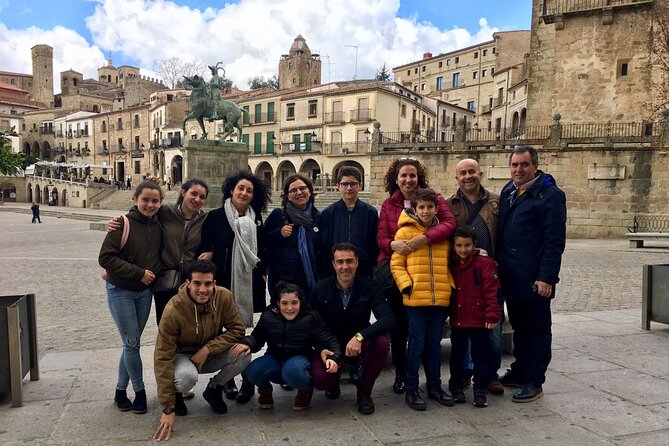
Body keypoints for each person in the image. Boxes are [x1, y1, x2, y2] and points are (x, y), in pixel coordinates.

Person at [376, 158, 456, 394]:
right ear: (396, 178)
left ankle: (430, 381)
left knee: (429, 335)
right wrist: (394, 245)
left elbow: (449, 223)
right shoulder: (389, 204)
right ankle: (402, 374)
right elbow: (380, 239)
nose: (408, 180)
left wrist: (424, 239)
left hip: (428, 272)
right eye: (404, 175)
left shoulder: (434, 198)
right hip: (400, 275)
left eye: (413, 175)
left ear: (419, 178)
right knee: (400, 327)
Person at [497, 146, 566, 403]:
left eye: (524, 165)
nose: (518, 170)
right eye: (514, 165)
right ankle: (520, 369)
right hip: (512, 276)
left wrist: (547, 277)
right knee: (519, 327)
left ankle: (535, 380)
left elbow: (554, 241)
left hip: (536, 278)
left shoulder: (550, 196)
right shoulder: (509, 191)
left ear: (535, 166)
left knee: (537, 329)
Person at [153, 260, 250, 441]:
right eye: (197, 283)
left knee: (243, 354)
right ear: (188, 283)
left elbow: (237, 330)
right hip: (183, 356)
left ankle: (214, 389)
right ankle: (177, 395)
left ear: (214, 283)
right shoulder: (173, 309)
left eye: (208, 284)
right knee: (185, 378)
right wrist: (168, 407)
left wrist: (208, 348)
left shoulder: (224, 297)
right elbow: (162, 357)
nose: (202, 289)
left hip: (210, 352)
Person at [198, 171, 271, 404]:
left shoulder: (255, 217)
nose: (244, 193)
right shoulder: (216, 217)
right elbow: (205, 244)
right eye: (241, 188)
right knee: (224, 330)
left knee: (244, 332)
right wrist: (209, 252)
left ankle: (246, 378)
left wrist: (264, 273)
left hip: (249, 282)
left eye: (249, 190)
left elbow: (261, 250)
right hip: (222, 282)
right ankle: (228, 378)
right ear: (231, 190)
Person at [98, 180, 163, 415]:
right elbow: (105, 258)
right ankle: (140, 392)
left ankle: (119, 391)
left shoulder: (159, 224)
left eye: (155, 200)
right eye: (145, 199)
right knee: (132, 343)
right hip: (121, 290)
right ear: (135, 199)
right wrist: (139, 273)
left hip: (144, 293)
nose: (150, 204)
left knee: (130, 344)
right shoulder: (121, 224)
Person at [108, 179, 210, 325]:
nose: (197, 199)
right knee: (166, 325)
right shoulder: (165, 212)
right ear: (183, 192)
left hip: (190, 281)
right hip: (165, 280)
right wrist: (118, 222)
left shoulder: (205, 219)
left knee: (191, 326)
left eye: (202, 197)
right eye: (193, 194)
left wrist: (210, 253)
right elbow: (141, 214)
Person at [309, 243, 395, 415]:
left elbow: (388, 319)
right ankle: (333, 380)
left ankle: (364, 392)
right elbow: (310, 325)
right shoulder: (320, 289)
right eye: (340, 262)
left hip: (358, 343)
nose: (345, 267)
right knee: (320, 380)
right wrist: (321, 349)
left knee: (382, 342)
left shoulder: (369, 286)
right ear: (333, 264)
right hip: (331, 344)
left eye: (349, 261)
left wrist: (361, 336)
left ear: (357, 262)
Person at [390, 188, 455, 410]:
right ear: (414, 209)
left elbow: (450, 262)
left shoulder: (442, 234)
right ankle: (411, 388)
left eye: (430, 207)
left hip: (439, 299)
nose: (426, 211)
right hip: (416, 299)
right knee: (416, 344)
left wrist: (450, 287)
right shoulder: (405, 232)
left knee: (434, 345)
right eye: (421, 207)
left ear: (436, 208)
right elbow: (396, 264)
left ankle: (435, 386)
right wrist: (406, 285)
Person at [231, 282, 341, 411]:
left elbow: (330, 339)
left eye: (294, 302)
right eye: (284, 303)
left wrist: (335, 358)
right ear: (278, 303)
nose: (290, 308)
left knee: (293, 370)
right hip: (275, 357)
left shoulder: (309, 317)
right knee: (253, 370)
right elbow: (257, 336)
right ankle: (265, 392)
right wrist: (247, 343)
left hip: (300, 358)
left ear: (300, 302)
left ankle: (304, 393)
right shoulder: (268, 316)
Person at [446, 158, 504, 395]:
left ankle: (490, 374)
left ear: (480, 173)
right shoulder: (449, 205)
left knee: (494, 329)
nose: (468, 176)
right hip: (461, 275)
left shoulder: (496, 203)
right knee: (462, 333)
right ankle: (463, 375)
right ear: (456, 178)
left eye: (472, 171)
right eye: (463, 173)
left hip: (489, 274)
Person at [449, 226, 502, 408]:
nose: (463, 249)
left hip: (479, 319)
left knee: (480, 355)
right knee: (457, 354)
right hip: (458, 317)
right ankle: (455, 385)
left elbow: (492, 291)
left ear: (474, 245)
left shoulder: (484, 264)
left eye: (467, 245)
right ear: (454, 246)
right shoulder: (452, 263)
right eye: (459, 246)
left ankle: (479, 388)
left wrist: (492, 315)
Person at [264, 173, 321, 300]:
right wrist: (279, 233)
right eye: (294, 190)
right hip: (285, 285)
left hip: (312, 284)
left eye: (302, 188)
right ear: (288, 196)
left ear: (310, 191)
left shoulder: (319, 218)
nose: (299, 192)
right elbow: (263, 242)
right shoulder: (278, 216)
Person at [319, 166, 379, 278]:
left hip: (363, 271)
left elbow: (373, 245)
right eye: (345, 184)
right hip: (336, 272)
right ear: (338, 186)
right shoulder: (329, 213)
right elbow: (324, 246)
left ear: (360, 185)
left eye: (353, 184)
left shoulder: (370, 213)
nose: (349, 188)